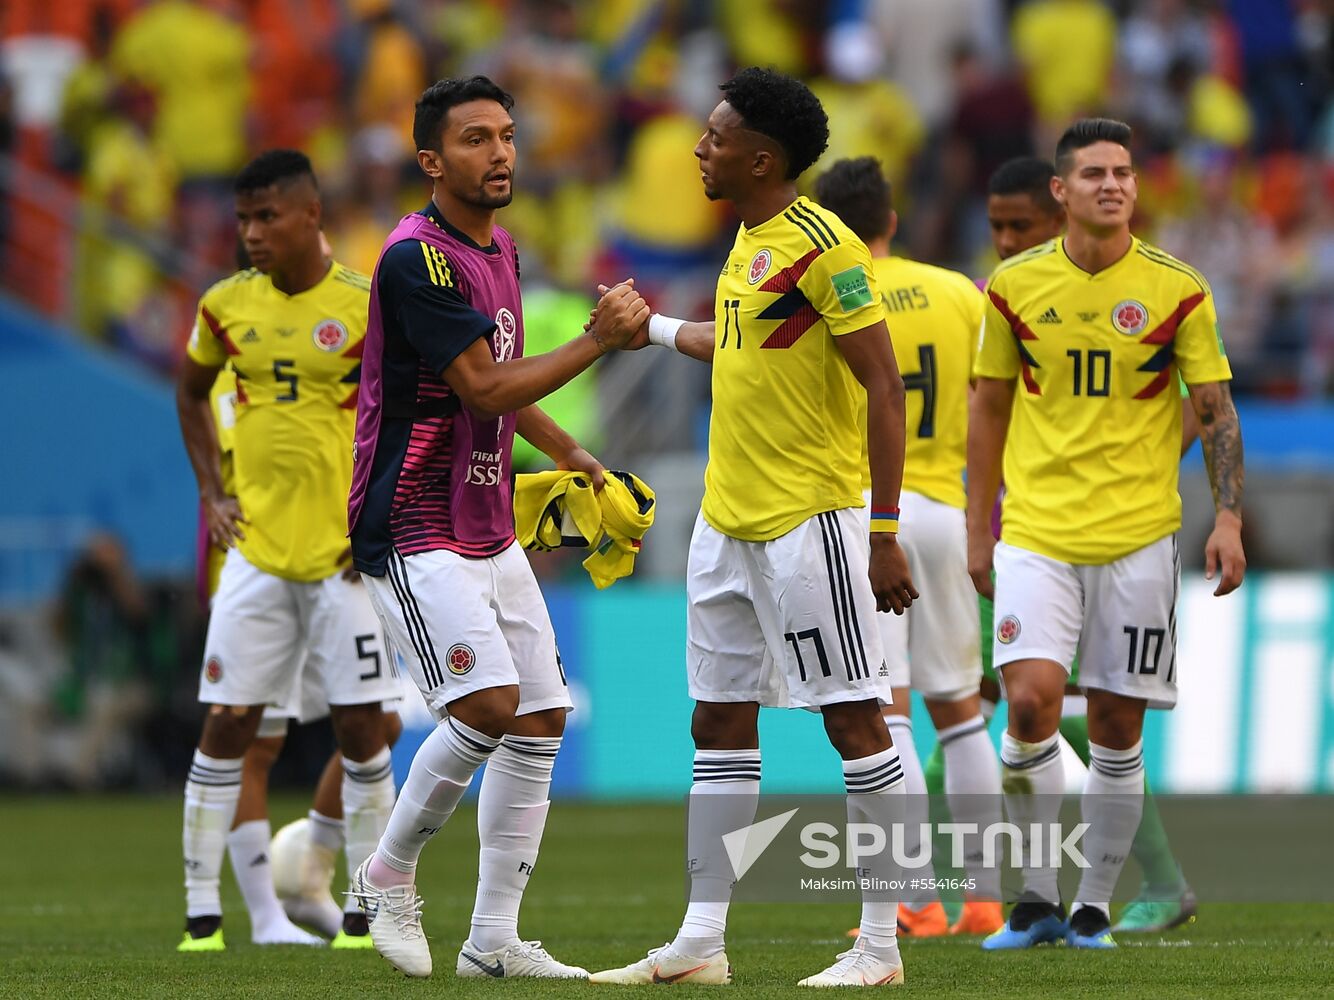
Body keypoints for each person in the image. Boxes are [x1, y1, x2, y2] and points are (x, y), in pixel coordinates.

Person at [590, 67, 918, 989]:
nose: (699, 147)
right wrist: (649, 328)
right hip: (726, 522)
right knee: (718, 720)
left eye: (715, 136)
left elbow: (885, 388)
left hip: (807, 521)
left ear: (761, 157)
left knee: (854, 720)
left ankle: (880, 949)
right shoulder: (749, 242)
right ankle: (700, 944)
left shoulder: (825, 246)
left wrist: (883, 530)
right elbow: (733, 342)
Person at [344, 75, 648, 980]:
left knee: (544, 716)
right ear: (432, 161)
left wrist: (576, 456)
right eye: (476, 139)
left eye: (508, 135)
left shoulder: (502, 249)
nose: (502, 153)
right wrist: (598, 339)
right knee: (486, 706)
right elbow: (480, 388)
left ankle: (492, 941)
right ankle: (384, 875)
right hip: (412, 519)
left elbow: (506, 384)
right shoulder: (417, 260)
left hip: (485, 518)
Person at [967, 119, 1245, 951]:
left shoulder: (1178, 289)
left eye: (1123, 172)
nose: (1113, 185)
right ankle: (1033, 898)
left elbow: (1216, 411)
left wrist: (1227, 515)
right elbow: (988, 408)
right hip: (1038, 534)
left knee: (1119, 726)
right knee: (1028, 706)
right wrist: (983, 526)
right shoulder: (1013, 288)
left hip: (1138, 539)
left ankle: (1088, 908)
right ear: (1062, 191)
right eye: (1094, 173)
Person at [175, 150, 400, 952]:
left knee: (369, 726)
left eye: (265, 218)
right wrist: (211, 491)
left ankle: (363, 904)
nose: (250, 235)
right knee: (238, 726)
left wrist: (377, 517)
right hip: (255, 553)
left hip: (343, 559)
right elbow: (190, 389)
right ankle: (218, 915)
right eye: (242, 221)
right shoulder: (226, 306)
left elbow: (416, 414)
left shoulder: (368, 306)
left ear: (312, 215)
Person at [813, 156, 1004, 939]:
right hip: (948, 513)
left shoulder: (824, 290)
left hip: (868, 517)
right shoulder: (960, 293)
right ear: (891, 219)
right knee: (960, 712)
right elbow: (993, 396)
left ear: (827, 225)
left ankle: (913, 899)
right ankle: (986, 899)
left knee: (885, 713)